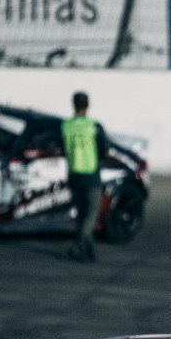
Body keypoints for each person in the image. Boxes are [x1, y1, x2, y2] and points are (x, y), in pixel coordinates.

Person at [61, 91, 111, 262]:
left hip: (74, 175)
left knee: (82, 215)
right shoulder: (94, 126)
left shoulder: (65, 126)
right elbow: (105, 151)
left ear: (73, 105)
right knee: (91, 216)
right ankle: (78, 245)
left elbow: (61, 147)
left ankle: (89, 251)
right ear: (87, 105)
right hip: (91, 176)